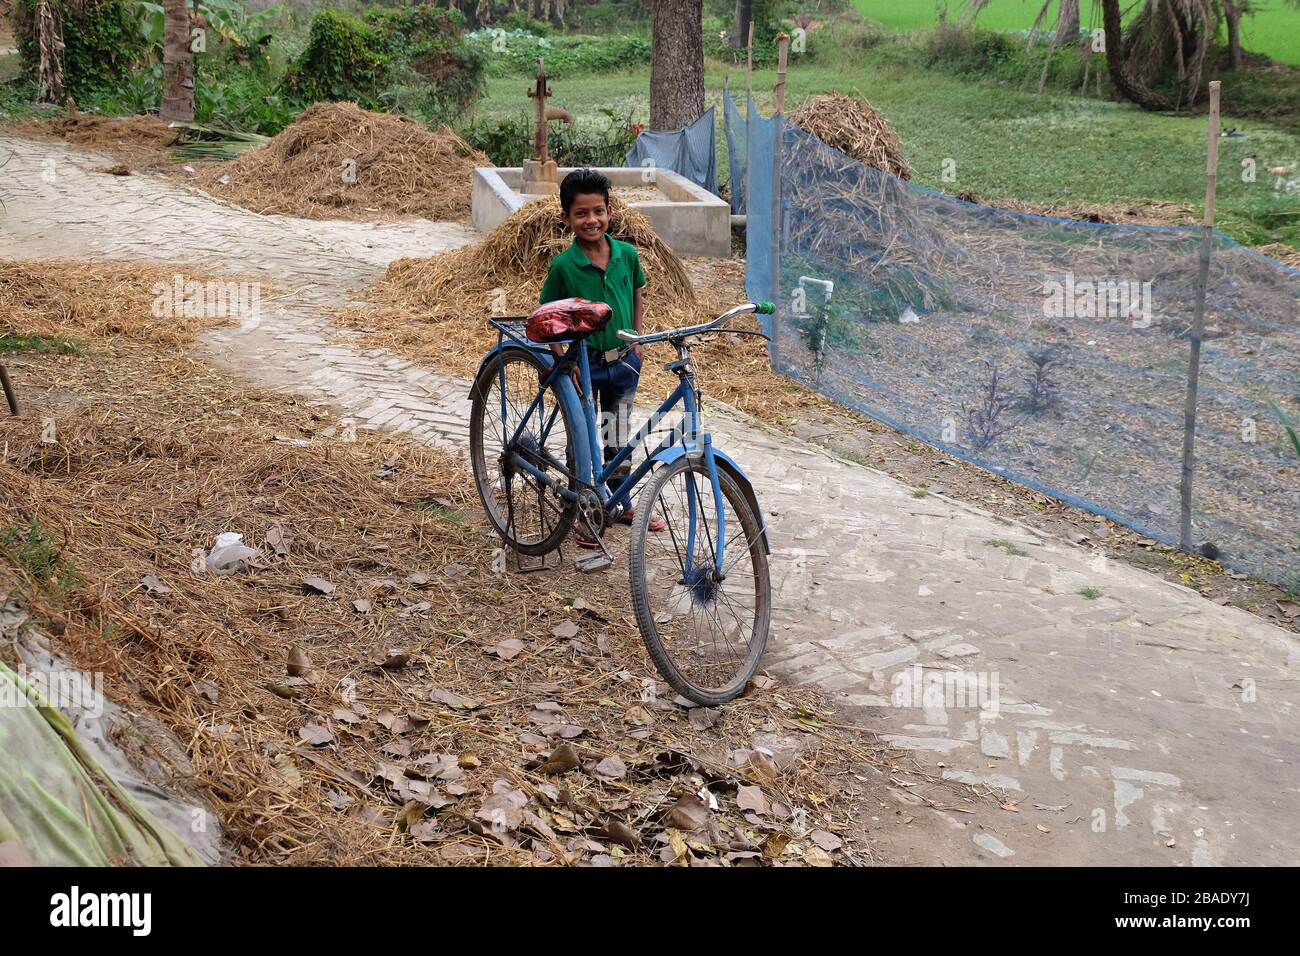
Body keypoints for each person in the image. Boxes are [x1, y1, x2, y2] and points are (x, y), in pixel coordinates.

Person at [539, 167, 665, 547]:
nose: (591, 220)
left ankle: (619, 501)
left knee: (617, 433)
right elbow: (550, 315)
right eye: (581, 214)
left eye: (598, 211)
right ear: (567, 219)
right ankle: (583, 511)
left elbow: (638, 292)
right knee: (583, 439)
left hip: (624, 361)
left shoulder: (626, 254)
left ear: (609, 211)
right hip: (583, 364)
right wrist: (564, 361)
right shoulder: (563, 266)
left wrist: (638, 339)